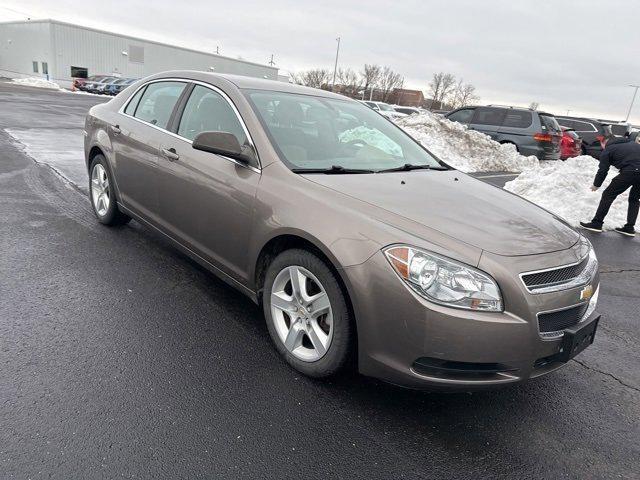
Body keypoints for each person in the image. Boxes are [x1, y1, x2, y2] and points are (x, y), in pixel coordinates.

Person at [580, 132, 640, 237]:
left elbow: (603, 170)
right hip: (634, 171)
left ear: (604, 142)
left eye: (602, 145)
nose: (602, 147)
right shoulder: (632, 144)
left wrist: (596, 185)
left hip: (630, 171)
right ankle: (629, 228)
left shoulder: (609, 149)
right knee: (634, 199)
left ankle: (597, 223)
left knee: (608, 194)